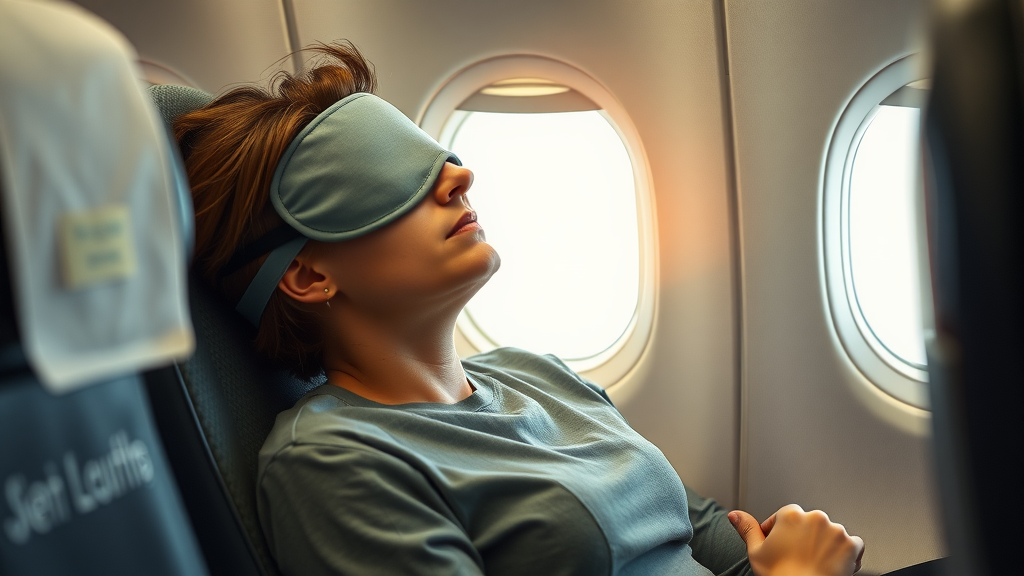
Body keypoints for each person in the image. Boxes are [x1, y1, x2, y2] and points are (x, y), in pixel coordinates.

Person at [174, 41, 866, 576]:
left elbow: (724, 541)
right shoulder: (331, 462)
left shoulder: (540, 374)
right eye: (386, 175)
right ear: (304, 274)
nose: (457, 174)